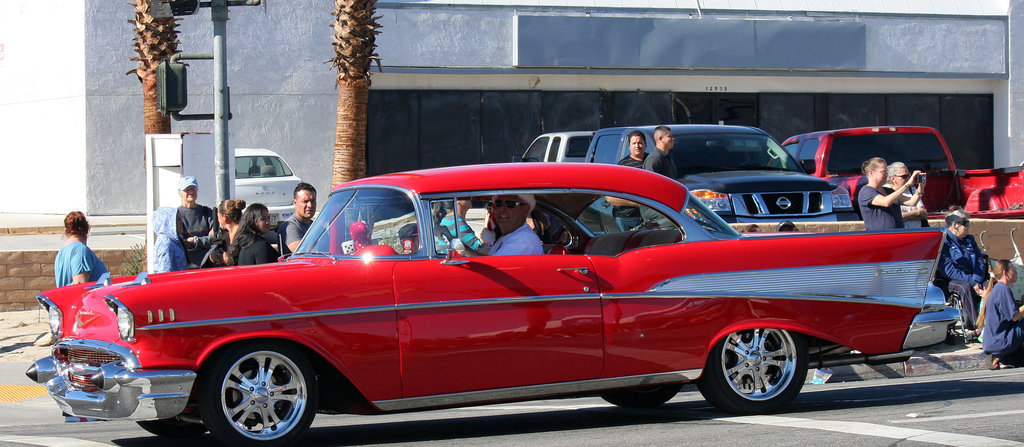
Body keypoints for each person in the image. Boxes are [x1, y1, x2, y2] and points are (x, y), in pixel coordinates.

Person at [936, 208, 987, 332]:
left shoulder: (969, 239)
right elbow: (949, 270)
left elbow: (980, 261)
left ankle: (994, 320)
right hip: (952, 279)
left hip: (974, 276)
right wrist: (972, 282)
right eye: (965, 224)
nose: (968, 227)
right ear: (955, 225)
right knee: (965, 287)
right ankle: (976, 325)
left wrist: (976, 279)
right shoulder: (944, 241)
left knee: (991, 286)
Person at [977, 259, 1024, 368]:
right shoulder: (1003, 289)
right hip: (1000, 340)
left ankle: (1002, 358)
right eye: (1013, 270)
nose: (1016, 273)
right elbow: (1014, 317)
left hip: (994, 341)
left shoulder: (998, 289)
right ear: (1005, 273)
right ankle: (1000, 357)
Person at [466, 194, 543, 256]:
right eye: (498, 204)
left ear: (525, 210)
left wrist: (466, 251)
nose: (501, 209)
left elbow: (494, 267)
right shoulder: (511, 234)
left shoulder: (523, 239)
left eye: (510, 204)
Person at [857, 157, 921, 230]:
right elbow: (885, 202)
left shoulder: (888, 191)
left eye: (887, 172)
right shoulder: (866, 191)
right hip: (879, 237)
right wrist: (907, 185)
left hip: (897, 234)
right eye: (884, 172)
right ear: (871, 173)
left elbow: (912, 202)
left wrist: (921, 187)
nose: (887, 175)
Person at [54, 211, 109, 287]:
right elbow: (80, 285)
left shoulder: (62, 251)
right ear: (87, 229)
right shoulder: (80, 250)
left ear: (66, 230)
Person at [176, 176, 218, 268]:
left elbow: (216, 239)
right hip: (186, 268)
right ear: (180, 193)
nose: (191, 192)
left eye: (193, 189)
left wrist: (194, 240)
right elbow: (180, 243)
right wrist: (206, 240)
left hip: (209, 266)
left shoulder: (207, 212)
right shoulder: (176, 216)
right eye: (187, 189)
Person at [610, 130, 647, 230]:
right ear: (629, 147)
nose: (637, 146)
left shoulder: (651, 161)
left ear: (645, 145)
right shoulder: (623, 166)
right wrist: (637, 203)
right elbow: (610, 197)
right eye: (634, 143)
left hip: (648, 215)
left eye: (640, 143)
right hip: (627, 217)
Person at [884, 161, 928, 228]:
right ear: (893, 178)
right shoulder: (886, 190)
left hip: (916, 232)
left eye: (908, 175)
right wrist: (915, 213)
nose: (908, 179)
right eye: (904, 176)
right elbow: (892, 218)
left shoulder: (912, 189)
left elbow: (923, 214)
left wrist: (921, 186)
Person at [203, 199, 246, 268]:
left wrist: (229, 261)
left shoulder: (246, 236)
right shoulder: (223, 235)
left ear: (224, 218)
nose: (218, 221)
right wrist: (212, 257)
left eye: (218, 217)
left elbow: (247, 261)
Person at [281, 182, 317, 253]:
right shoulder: (290, 226)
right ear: (295, 203)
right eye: (305, 201)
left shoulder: (314, 225)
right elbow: (302, 253)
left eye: (313, 201)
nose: (310, 205)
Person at [151, 207, 187, 273]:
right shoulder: (165, 243)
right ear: (167, 222)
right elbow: (164, 273)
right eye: (178, 219)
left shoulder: (173, 240)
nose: (182, 222)